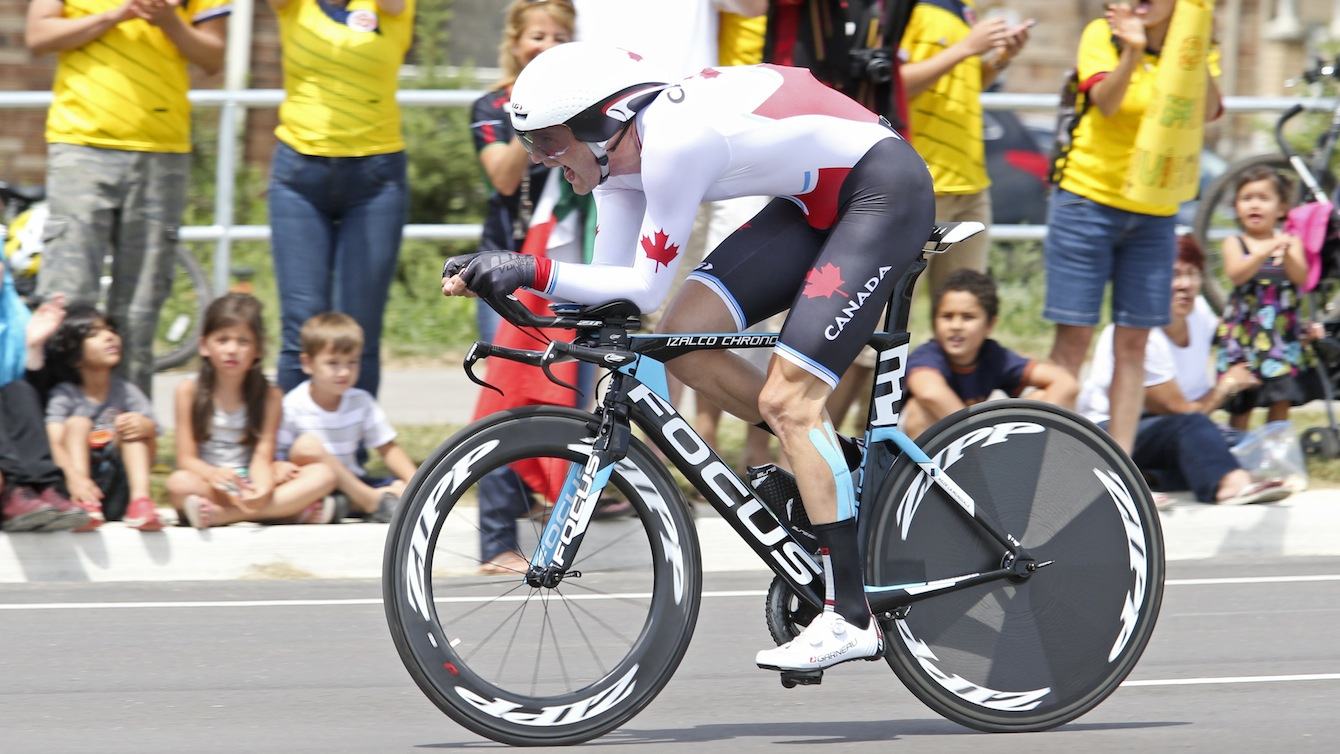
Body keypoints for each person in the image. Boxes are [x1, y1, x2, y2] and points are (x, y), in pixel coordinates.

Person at [442, 42, 936, 673]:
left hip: (880, 190)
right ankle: (836, 469)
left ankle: (851, 615)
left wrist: (527, 268)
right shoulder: (612, 164)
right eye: (532, 145)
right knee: (684, 341)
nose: (540, 160)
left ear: (600, 124)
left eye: (549, 142)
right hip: (811, 204)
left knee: (789, 402)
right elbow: (612, 284)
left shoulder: (673, 141)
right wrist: (504, 278)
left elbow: (642, 285)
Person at [25, 0, 230, 397]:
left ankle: (131, 432)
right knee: (67, 300)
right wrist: (114, 15)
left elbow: (213, 56)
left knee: (140, 305)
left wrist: (169, 20)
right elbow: (38, 36)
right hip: (81, 143)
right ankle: (56, 429)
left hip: (161, 150)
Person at [1044, 0, 1221, 453]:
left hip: (1155, 209)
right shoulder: (1100, 34)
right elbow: (1106, 103)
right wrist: (1133, 51)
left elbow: (1207, 111)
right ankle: (1045, 458)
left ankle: (1121, 467)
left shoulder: (1195, 43)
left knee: (1135, 341)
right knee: (1074, 339)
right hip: (1087, 200)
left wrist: (1194, 45)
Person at [266, 0, 415, 397]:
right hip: (299, 172)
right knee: (301, 324)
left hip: (375, 177)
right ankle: (289, 450)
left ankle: (353, 452)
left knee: (359, 327)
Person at [1078, 235, 1291, 506]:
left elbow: (1238, 337)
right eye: (1174, 274)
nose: (1185, 285)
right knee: (1196, 428)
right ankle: (1228, 486)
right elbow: (1180, 411)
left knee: (1249, 445)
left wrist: (1293, 334)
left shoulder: (1198, 312)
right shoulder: (1140, 335)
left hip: (1169, 431)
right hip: (1110, 433)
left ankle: (1151, 477)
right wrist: (1225, 387)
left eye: (1192, 274)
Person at [899, 0, 1031, 316]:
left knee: (964, 320)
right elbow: (891, 84)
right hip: (921, 185)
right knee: (882, 326)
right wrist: (966, 48)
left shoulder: (965, 9)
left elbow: (963, 85)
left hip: (971, 188)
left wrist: (1001, 59)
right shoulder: (904, 10)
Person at [166, 294, 338, 528]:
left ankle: (223, 516)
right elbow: (186, 459)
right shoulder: (188, 391)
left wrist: (263, 488)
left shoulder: (270, 395)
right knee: (178, 484)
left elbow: (262, 455)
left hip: (251, 479)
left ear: (258, 349)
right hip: (212, 483)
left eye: (243, 341)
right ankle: (283, 512)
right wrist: (212, 474)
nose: (232, 350)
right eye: (222, 340)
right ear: (204, 346)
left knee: (323, 474)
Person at [901, 269, 1076, 438]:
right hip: (924, 451)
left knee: (1039, 401)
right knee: (918, 410)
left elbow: (1066, 384)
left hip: (974, 441)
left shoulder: (994, 356)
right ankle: (925, 469)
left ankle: (1024, 461)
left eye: (968, 317)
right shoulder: (927, 355)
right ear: (933, 322)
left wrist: (1034, 432)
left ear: (990, 325)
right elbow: (929, 392)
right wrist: (981, 438)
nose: (956, 326)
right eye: (947, 316)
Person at [277, 313, 416, 523]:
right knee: (307, 447)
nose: (343, 372)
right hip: (314, 483)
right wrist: (280, 466)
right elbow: (279, 454)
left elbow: (387, 448)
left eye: (352, 362)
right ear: (307, 363)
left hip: (353, 482)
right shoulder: (294, 404)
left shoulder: (361, 401)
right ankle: (370, 503)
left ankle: (350, 502)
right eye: (333, 363)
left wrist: (416, 483)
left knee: (401, 488)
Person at [44, 305, 163, 531]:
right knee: (77, 423)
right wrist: (75, 479)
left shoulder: (127, 392)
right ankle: (85, 504)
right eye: (94, 334)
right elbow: (53, 443)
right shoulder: (65, 394)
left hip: (118, 489)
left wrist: (146, 427)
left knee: (134, 426)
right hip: (74, 487)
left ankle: (141, 503)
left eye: (110, 330)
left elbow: (152, 453)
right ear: (75, 357)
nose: (109, 337)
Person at [1215, 167, 1314, 430]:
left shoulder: (1291, 242)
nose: (1254, 205)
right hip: (1245, 337)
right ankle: (1237, 446)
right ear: (1236, 207)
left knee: (1281, 397)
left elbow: (1301, 276)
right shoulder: (1234, 242)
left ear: (1281, 208)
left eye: (1263, 198)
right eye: (1247, 198)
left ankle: (1276, 454)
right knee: (1243, 401)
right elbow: (1236, 274)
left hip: (1280, 339)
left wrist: (1287, 252)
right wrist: (1265, 250)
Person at [1, 262, 87, 532]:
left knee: (19, 391)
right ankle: (17, 492)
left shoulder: (12, 317)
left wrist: (33, 347)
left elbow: (34, 401)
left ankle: (41, 490)